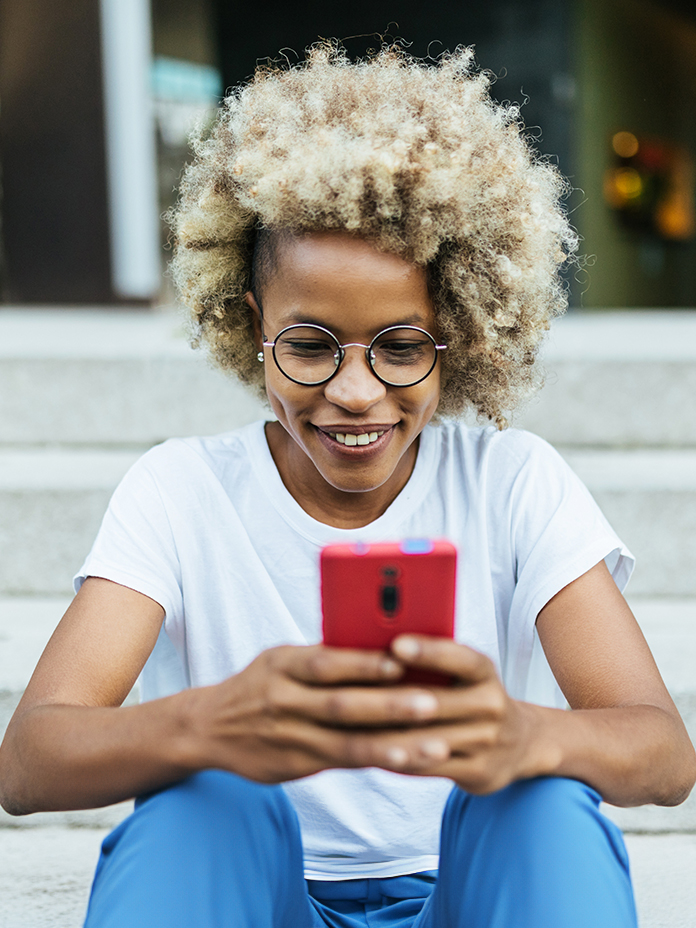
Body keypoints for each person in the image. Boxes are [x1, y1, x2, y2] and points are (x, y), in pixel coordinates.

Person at [0, 42, 694, 928]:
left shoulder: (512, 483)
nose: (354, 391)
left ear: (461, 330)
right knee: (203, 802)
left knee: (544, 802)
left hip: (469, 890)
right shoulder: (179, 490)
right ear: (254, 324)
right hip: (257, 892)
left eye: (402, 347)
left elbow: (665, 755)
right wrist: (215, 722)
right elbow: (27, 761)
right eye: (310, 343)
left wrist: (524, 734)